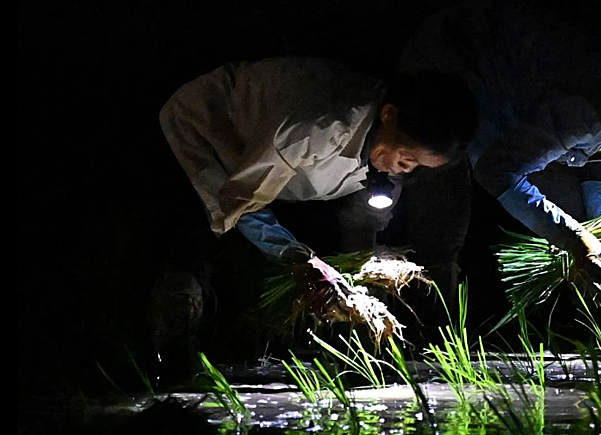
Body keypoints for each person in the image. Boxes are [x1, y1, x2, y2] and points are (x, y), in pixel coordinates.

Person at [153, 57, 477, 369]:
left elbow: (359, 217)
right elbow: (239, 202)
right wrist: (301, 262)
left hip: (275, 178)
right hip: (200, 140)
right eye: (407, 157)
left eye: (418, 165)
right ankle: (165, 371)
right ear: (389, 115)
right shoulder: (318, 126)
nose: (406, 169)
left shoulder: (383, 148)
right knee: (191, 262)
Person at [396, 0, 601, 307]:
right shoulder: (588, 108)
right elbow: (497, 171)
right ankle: (425, 330)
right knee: (443, 210)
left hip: (507, 90)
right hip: (450, 66)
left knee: (568, 206)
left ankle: (581, 308)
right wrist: (578, 241)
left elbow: (599, 170)